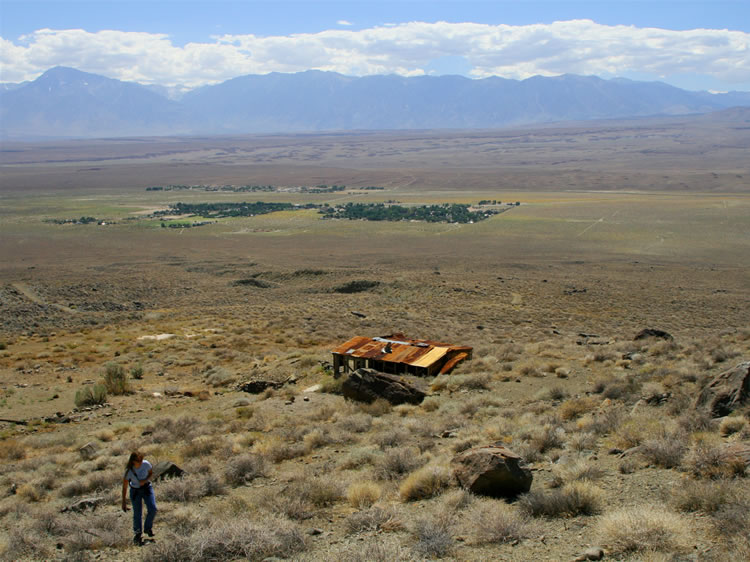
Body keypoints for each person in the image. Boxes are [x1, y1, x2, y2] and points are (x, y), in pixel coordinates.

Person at [122, 451, 157, 545]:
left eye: (141, 459)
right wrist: (124, 502)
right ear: (133, 461)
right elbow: (124, 487)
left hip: (147, 488)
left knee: (153, 508)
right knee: (137, 513)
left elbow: (150, 473)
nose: (140, 462)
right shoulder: (129, 471)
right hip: (135, 491)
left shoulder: (146, 464)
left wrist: (145, 480)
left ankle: (147, 528)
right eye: (138, 460)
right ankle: (138, 533)